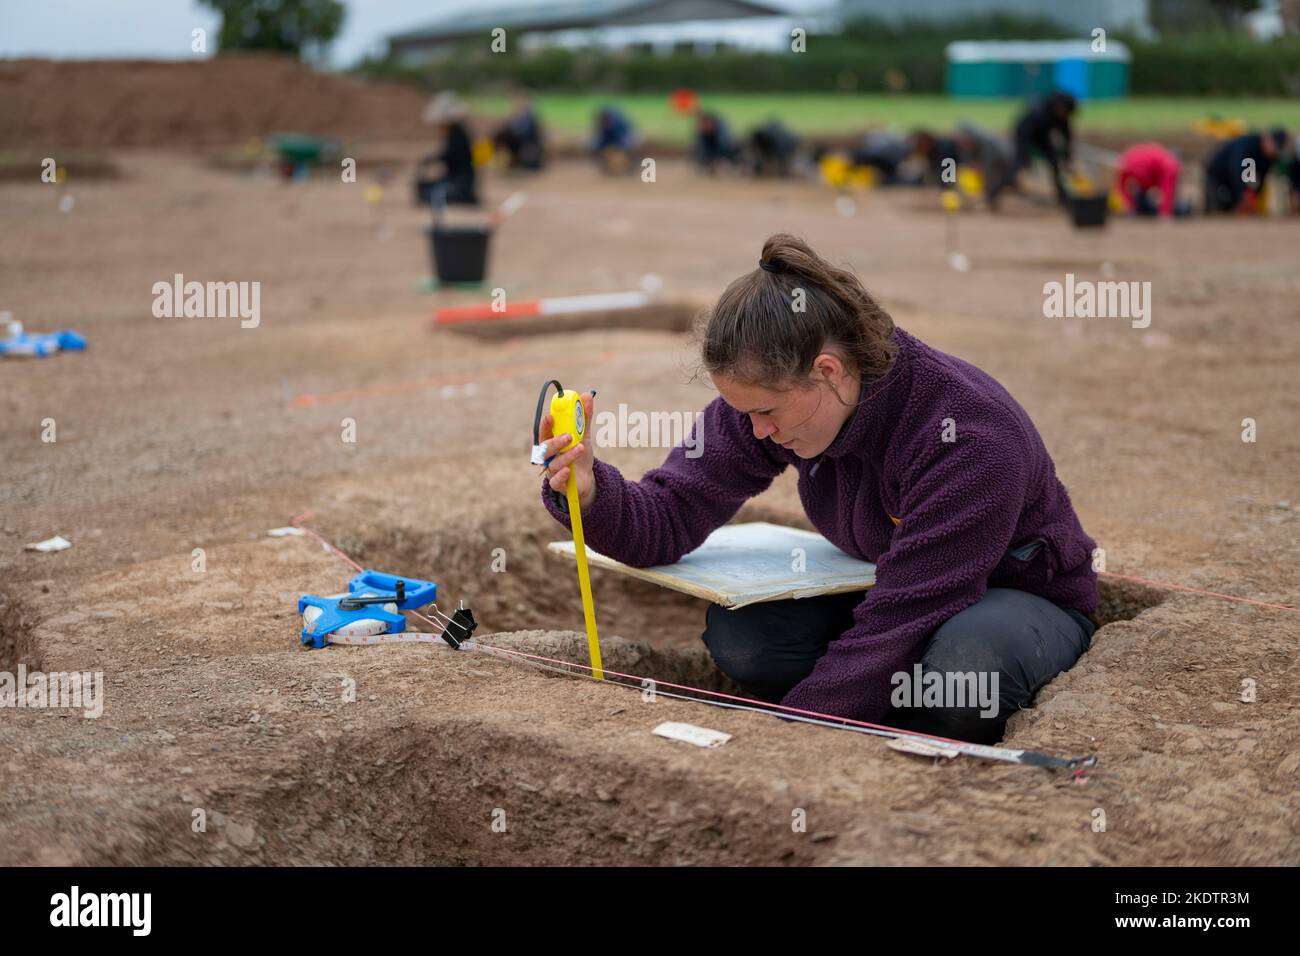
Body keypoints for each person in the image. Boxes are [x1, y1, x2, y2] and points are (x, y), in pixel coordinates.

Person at [536, 234, 1099, 744]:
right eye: (744, 413)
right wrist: (588, 494)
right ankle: (874, 709)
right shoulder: (766, 403)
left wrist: (791, 736)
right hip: (888, 581)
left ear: (828, 370)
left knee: (961, 675)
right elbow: (670, 514)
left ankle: (909, 725)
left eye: (766, 412)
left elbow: (904, 614)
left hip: (1019, 595)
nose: (757, 431)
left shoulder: (967, 437)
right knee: (746, 640)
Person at [1010, 91, 1077, 205]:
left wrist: (1067, 157)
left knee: (1054, 161)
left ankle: (1062, 196)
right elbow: (1025, 133)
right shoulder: (1041, 111)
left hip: (1041, 136)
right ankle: (1009, 182)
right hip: (1025, 132)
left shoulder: (1063, 115)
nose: (1065, 115)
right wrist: (1025, 155)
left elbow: (1066, 136)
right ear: (1059, 107)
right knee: (1020, 161)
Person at [1204, 129, 1289, 214]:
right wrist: (1243, 195)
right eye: (1274, 146)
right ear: (1267, 139)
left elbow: (1261, 177)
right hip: (1217, 177)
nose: (1274, 152)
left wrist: (1254, 196)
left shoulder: (1269, 157)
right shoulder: (1247, 145)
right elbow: (1236, 169)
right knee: (1217, 212)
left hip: (1234, 184)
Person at [416, 91, 477, 206]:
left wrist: (432, 159)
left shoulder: (458, 134)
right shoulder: (456, 132)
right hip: (457, 178)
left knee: (431, 194)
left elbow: (452, 154)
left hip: (461, 180)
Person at [1115, 143, 1184, 218]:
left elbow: (1121, 185)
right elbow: (1168, 189)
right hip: (1144, 175)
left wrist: (1129, 205)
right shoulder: (1169, 164)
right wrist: (1165, 212)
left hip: (1140, 172)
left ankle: (1136, 210)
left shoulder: (1129, 159)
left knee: (1144, 202)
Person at [493, 94, 545, 172]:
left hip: (527, 146)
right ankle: (490, 158)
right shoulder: (521, 116)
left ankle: (504, 160)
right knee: (499, 135)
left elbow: (523, 133)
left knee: (502, 135)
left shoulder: (529, 117)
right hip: (522, 144)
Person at [591, 106, 637, 173]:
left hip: (625, 137)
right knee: (597, 147)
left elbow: (622, 139)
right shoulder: (603, 127)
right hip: (612, 139)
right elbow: (601, 140)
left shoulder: (619, 125)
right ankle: (607, 167)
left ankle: (629, 167)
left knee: (626, 147)